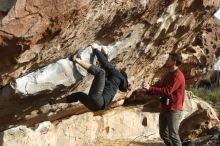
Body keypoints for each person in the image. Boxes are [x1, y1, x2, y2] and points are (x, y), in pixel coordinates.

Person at [52, 45, 129, 111]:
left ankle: (77, 60)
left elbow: (106, 65)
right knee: (78, 95)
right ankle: (56, 101)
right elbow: (106, 69)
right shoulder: (114, 84)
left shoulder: (119, 76)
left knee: (100, 73)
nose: (118, 70)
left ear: (122, 75)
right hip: (94, 107)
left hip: (98, 100)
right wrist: (105, 54)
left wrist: (95, 49)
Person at [138, 53, 185, 146]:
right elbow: (161, 89)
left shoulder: (178, 76)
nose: (166, 61)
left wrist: (150, 88)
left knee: (173, 135)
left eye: (169, 59)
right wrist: (146, 91)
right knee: (163, 133)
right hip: (165, 107)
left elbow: (168, 91)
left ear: (174, 62)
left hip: (174, 109)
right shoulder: (169, 74)